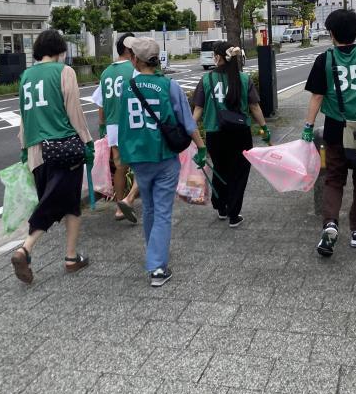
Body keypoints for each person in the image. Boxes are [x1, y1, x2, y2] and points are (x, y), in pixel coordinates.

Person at [118, 36, 207, 287]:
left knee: (148, 208)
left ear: (135, 60)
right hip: (164, 155)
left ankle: (153, 253)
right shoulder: (169, 86)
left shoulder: (127, 87)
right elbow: (188, 122)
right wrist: (201, 148)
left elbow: (121, 123)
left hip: (138, 156)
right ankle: (157, 267)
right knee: (163, 212)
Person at [301, 9, 356, 257]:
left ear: (331, 33)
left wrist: (308, 126)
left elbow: (317, 96)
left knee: (334, 178)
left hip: (335, 128)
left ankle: (330, 224)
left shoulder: (324, 59)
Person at [11, 29, 94, 284]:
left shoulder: (26, 76)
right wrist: (87, 141)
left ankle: (71, 256)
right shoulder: (64, 72)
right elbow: (74, 111)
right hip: (63, 147)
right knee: (57, 202)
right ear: (60, 50)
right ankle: (26, 248)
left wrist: (24, 147)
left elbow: (24, 115)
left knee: (64, 201)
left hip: (36, 151)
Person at [192, 41, 270, 227]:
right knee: (239, 173)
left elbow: (198, 110)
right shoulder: (243, 78)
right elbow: (254, 106)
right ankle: (234, 214)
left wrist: (190, 133)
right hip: (240, 133)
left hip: (215, 133)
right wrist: (264, 128)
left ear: (218, 57)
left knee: (220, 169)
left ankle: (221, 207)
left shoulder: (206, 79)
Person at [92, 32, 140, 223]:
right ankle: (130, 200)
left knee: (120, 167)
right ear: (129, 49)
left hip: (113, 127)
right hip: (133, 124)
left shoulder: (106, 73)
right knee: (141, 164)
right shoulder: (135, 68)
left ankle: (120, 207)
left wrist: (102, 126)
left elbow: (100, 103)